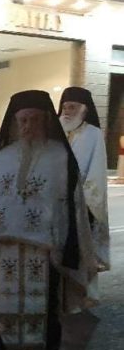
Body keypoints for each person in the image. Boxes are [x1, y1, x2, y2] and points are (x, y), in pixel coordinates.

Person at [0, 90, 96, 350]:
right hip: (5, 244)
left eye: (34, 120)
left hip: (44, 245)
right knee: (5, 298)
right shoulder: (3, 157)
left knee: (44, 298)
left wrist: (67, 242)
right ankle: (5, 347)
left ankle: (43, 343)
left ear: (46, 121)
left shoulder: (61, 158)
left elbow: (73, 206)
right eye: (23, 121)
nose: (27, 126)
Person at [58, 87, 110, 305]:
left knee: (79, 254)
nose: (67, 111)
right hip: (54, 206)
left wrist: (85, 203)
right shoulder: (55, 131)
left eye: (73, 107)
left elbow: (96, 172)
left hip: (80, 206)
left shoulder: (93, 134)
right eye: (65, 107)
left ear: (84, 110)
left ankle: (80, 298)